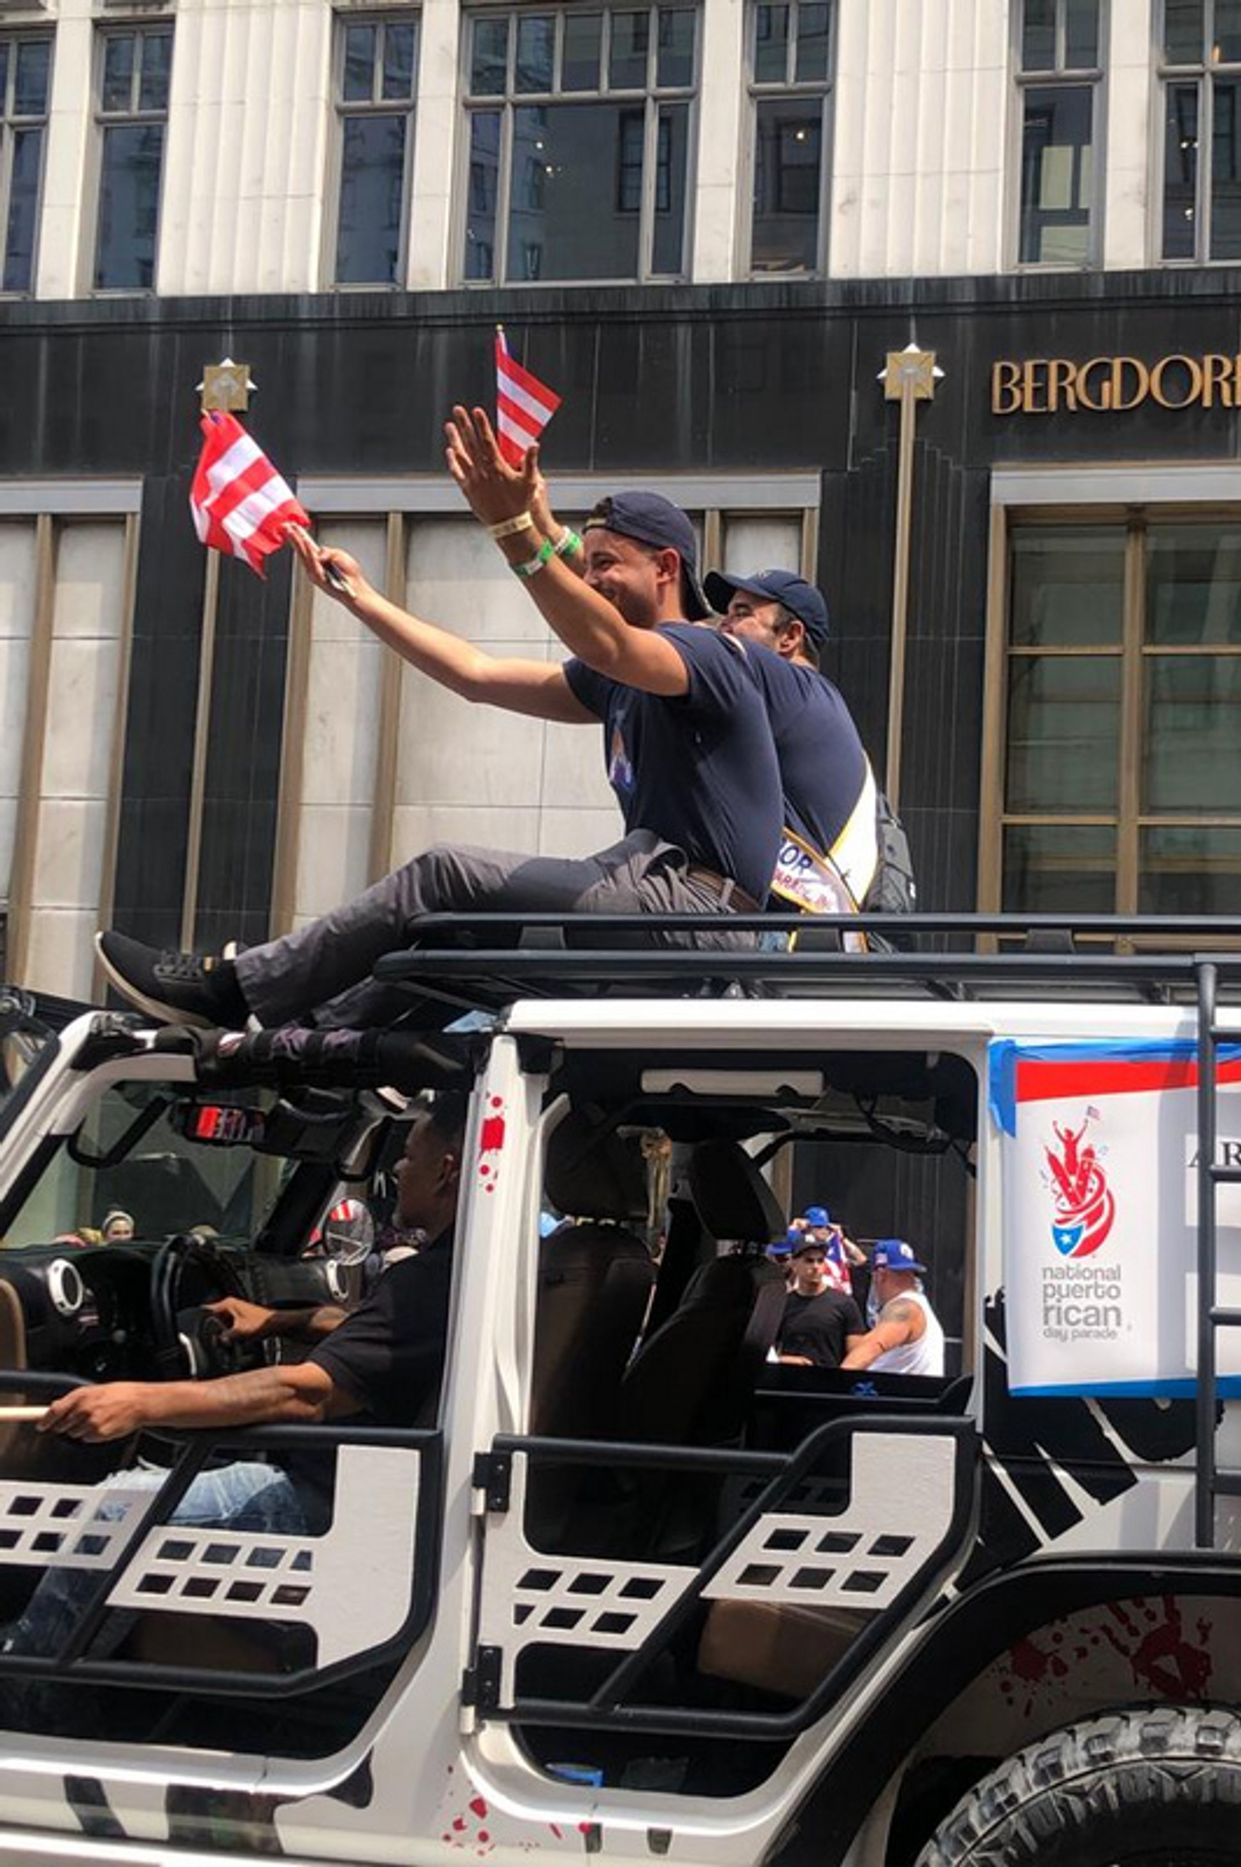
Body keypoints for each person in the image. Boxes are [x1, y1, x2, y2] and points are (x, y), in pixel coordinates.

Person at [93, 420, 781, 1033]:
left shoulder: (709, 654)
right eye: (587, 562)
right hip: (653, 914)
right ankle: (318, 1048)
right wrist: (362, 599)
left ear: (665, 568)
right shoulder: (621, 681)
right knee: (456, 935)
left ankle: (232, 987)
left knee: (444, 872)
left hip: (692, 916)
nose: (590, 578)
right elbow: (476, 675)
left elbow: (606, 642)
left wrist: (516, 531)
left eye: (605, 564)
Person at [0, 1094, 465, 1700]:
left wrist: (137, 1402)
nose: (398, 1170)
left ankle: (26, 1694)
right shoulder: (456, 1272)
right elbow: (379, 1334)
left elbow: (304, 1395)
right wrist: (276, 1322)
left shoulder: (430, 1280)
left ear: (448, 1170)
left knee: (120, 1504)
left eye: (409, 1155)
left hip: (322, 1507)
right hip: (365, 1494)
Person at [705, 567, 911, 916]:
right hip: (809, 938)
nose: (723, 625)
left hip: (802, 942)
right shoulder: (802, 702)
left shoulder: (793, 687)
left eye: (742, 614)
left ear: (789, 637)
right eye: (726, 614)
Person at [840, 1239, 945, 1377]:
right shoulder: (919, 1305)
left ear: (880, 1275)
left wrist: (835, 1387)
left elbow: (868, 1350)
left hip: (900, 1396)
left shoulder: (904, 1308)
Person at [776, 1236, 865, 1369]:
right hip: (789, 1384)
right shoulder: (782, 1304)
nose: (815, 1266)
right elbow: (765, 1349)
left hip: (828, 1384)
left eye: (820, 1261)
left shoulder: (845, 1304)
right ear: (794, 1264)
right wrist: (784, 1360)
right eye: (809, 1261)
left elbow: (857, 1355)